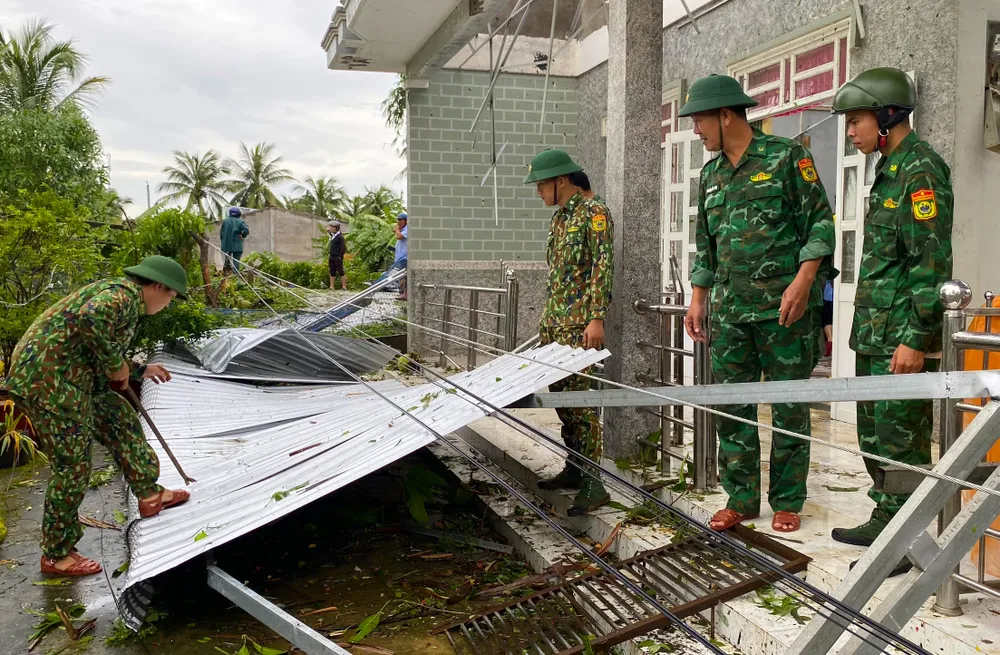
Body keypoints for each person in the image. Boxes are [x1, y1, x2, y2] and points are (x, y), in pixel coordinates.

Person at [681, 74, 836, 534]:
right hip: (730, 313)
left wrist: (804, 282)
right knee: (733, 404)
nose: (696, 131)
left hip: (782, 310)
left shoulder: (788, 158)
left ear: (726, 115)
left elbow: (821, 227)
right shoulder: (710, 175)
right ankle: (741, 496)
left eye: (701, 120)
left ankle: (788, 499)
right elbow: (705, 245)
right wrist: (697, 298)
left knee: (789, 405)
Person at [828, 68, 953, 576]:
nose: (850, 132)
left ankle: (908, 537)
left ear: (887, 116)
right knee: (875, 436)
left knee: (903, 440)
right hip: (875, 333)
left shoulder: (921, 170)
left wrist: (916, 338)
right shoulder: (889, 168)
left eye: (855, 121)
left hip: (901, 334)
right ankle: (887, 517)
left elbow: (930, 262)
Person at [2, 256, 193, 576]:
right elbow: (91, 320)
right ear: (158, 287)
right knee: (73, 463)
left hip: (73, 378)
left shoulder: (121, 297)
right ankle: (56, 553)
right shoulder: (123, 296)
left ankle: (149, 492)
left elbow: (95, 347)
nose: (167, 304)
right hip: (49, 383)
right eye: (170, 297)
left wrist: (140, 369)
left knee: (120, 419)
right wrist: (115, 364)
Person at [524, 149, 614, 517]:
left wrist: (596, 318)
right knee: (562, 402)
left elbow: (601, 266)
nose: (538, 192)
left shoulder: (595, 213)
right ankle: (575, 468)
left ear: (562, 181)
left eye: (542, 184)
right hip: (555, 326)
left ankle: (595, 483)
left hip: (580, 327)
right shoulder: (561, 218)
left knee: (582, 405)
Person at [220, 206, 250, 272]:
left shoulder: (225, 221)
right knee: (236, 261)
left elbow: (221, 234)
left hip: (226, 244)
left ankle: (226, 273)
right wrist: (243, 235)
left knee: (227, 260)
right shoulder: (240, 221)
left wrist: (223, 243)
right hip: (237, 244)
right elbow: (246, 231)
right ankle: (235, 276)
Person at [391, 212, 408, 300]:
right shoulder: (402, 229)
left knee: (405, 277)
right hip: (400, 258)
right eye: (398, 220)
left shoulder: (408, 229)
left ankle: (405, 294)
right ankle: (402, 293)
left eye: (401, 220)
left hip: (405, 258)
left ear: (406, 221)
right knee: (401, 277)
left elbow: (399, 236)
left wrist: (397, 229)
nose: (399, 222)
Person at [327, 220, 348, 291]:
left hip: (337, 257)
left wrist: (339, 256)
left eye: (332, 227)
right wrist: (329, 231)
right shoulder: (334, 235)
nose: (331, 228)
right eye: (330, 227)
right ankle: (331, 286)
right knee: (332, 271)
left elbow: (343, 248)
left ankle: (344, 286)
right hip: (331, 256)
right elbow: (331, 234)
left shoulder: (340, 237)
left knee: (341, 271)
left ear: (337, 228)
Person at [822, 280, 834, 357]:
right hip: (832, 296)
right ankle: (830, 341)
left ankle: (830, 341)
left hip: (827, 297)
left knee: (826, 320)